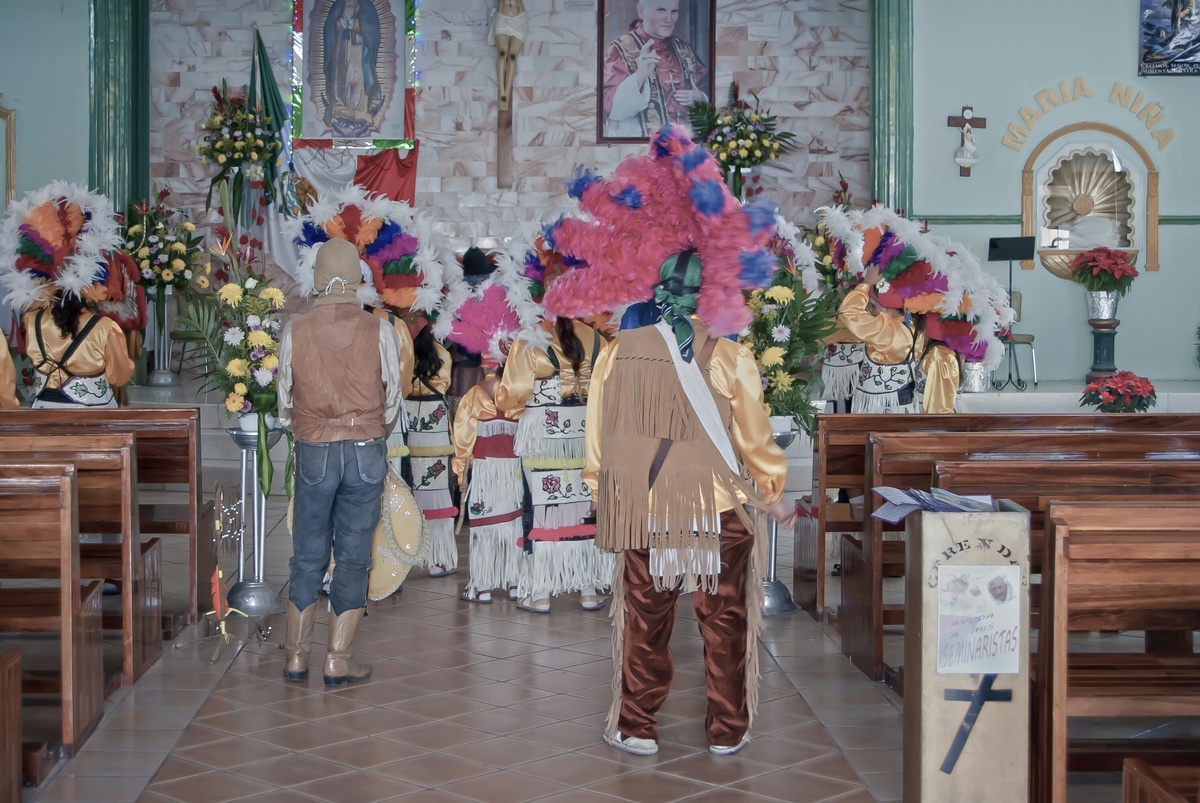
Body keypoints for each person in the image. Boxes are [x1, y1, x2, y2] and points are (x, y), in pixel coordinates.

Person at [586, 251, 796, 757]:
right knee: (724, 620)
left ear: (657, 289)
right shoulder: (731, 356)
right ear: (710, 296)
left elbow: (599, 436)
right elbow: (755, 438)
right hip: (717, 509)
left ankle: (636, 726)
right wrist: (773, 494)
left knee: (645, 620)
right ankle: (727, 727)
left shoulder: (619, 353)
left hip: (644, 510)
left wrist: (603, 492)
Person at [279, 238, 402, 686]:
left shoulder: (296, 328)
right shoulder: (379, 329)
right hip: (366, 449)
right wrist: (369, 430)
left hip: (314, 448)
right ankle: (337, 659)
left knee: (307, 555)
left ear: (316, 276)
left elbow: (282, 402)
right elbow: (393, 402)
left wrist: (310, 427)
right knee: (352, 558)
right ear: (357, 276)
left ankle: (295, 656)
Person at [495, 316, 612, 613]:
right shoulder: (598, 338)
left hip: (542, 432)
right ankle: (588, 590)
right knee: (584, 503)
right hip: (586, 430)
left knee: (542, 507)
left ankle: (541, 592)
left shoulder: (531, 339)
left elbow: (510, 395)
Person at [452, 361, 524, 603]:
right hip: (513, 470)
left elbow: (463, 436)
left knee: (484, 527)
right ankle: (515, 583)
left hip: (485, 470)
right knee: (513, 525)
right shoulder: (519, 393)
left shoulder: (476, 393)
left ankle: (482, 587)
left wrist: (460, 471)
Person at [602, 0, 708, 138]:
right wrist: (639, 78)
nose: (669, 19)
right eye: (661, 10)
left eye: (674, 11)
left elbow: (710, 93)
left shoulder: (684, 49)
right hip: (639, 149)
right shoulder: (620, 49)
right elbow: (609, 108)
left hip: (684, 151)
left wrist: (701, 98)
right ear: (641, 11)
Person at [403, 317, 458, 578]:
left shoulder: (402, 351)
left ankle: (406, 554)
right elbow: (445, 385)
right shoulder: (442, 354)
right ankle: (440, 560)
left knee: (408, 487)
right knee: (438, 492)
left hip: (409, 422)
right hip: (435, 428)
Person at [24, 292, 135, 409]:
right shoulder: (104, 326)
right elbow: (119, 376)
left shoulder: (32, 320)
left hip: (43, 405)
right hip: (92, 409)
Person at [836, 263, 918, 414]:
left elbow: (849, 314)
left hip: (886, 404)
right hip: (884, 400)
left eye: (873, 305)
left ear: (885, 307)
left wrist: (866, 284)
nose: (870, 311)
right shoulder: (900, 325)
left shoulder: (889, 329)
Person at [324, 0, 383, 136]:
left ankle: (359, 110)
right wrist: (340, 24)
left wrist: (356, 25)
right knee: (340, 79)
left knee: (357, 80)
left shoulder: (366, 8)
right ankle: (340, 107)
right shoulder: (338, 7)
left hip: (358, 51)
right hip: (340, 49)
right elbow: (329, 30)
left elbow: (371, 31)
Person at [488, 0, 526, 112]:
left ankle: (507, 95)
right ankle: (502, 93)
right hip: (502, 17)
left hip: (519, 18)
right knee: (502, 53)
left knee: (513, 56)